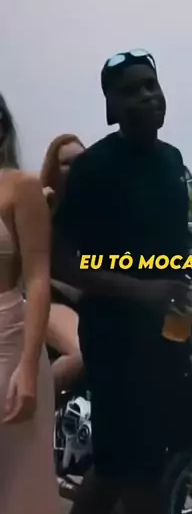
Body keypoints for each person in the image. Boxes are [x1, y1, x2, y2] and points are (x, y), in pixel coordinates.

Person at [52, 49, 191, 514]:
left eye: (152, 84)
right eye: (131, 90)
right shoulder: (95, 169)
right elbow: (62, 260)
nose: (147, 96)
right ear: (110, 107)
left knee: (119, 465)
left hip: (166, 337)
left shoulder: (172, 160)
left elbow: (170, 243)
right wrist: (142, 290)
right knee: (138, 474)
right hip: (115, 339)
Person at [0, 93, 67, 514]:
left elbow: (39, 279)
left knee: (19, 499)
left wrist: (27, 365)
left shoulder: (19, 186)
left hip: (8, 344)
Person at [41, 134, 86, 394]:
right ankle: (26, 406)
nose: (76, 168)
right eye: (67, 163)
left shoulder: (100, 209)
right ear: (54, 169)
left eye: (81, 161)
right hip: (47, 298)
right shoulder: (42, 204)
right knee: (83, 352)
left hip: (90, 298)